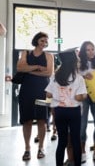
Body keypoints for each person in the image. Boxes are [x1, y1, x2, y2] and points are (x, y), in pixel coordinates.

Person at [45, 48, 87, 166]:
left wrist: (58, 94)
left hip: (59, 111)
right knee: (75, 141)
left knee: (62, 142)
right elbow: (79, 97)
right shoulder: (78, 78)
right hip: (74, 112)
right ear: (73, 62)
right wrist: (84, 95)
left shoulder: (55, 76)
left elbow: (48, 94)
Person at [17, 32, 54, 161]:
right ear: (37, 40)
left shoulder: (49, 56)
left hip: (42, 90)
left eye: (46, 41)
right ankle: (27, 149)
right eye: (42, 40)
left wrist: (30, 70)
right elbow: (20, 67)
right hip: (26, 90)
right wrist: (38, 67)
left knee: (42, 120)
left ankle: (41, 148)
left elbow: (49, 73)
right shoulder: (25, 53)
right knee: (26, 120)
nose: (44, 43)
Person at [78, 41, 95, 162]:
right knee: (82, 125)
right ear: (83, 51)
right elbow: (74, 78)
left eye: (92, 49)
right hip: (83, 96)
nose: (91, 52)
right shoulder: (78, 63)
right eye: (88, 50)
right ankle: (82, 151)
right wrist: (84, 77)